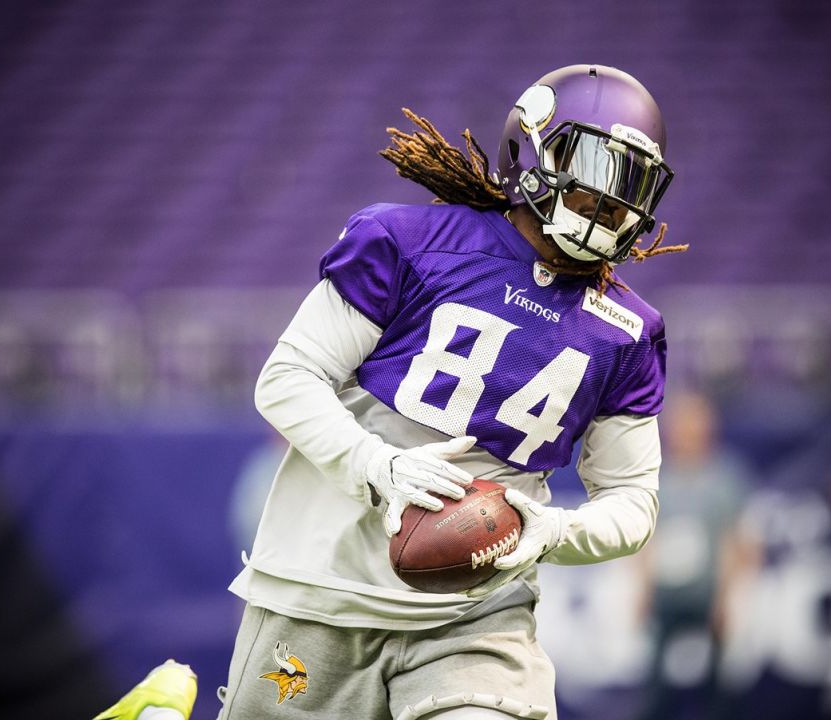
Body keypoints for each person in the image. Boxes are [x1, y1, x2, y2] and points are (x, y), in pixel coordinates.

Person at [98, 63, 688, 720]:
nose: (609, 205)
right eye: (592, 176)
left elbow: (633, 500)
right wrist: (378, 466)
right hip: (321, 593)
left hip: (475, 616)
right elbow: (288, 379)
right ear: (531, 154)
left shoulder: (627, 330)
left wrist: (554, 528)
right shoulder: (410, 242)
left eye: (629, 185)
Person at [636, 392, 751, 720]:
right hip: (665, 595)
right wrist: (642, 590)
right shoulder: (657, 479)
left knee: (718, 688)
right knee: (656, 686)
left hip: (708, 595)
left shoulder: (724, 479)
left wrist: (726, 598)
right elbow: (646, 540)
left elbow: (735, 542)